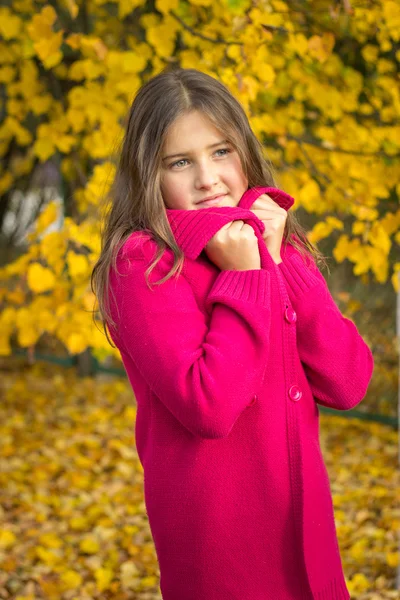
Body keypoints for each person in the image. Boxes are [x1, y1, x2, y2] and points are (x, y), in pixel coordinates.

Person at [91, 68, 374, 600]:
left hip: (306, 529)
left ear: (244, 149)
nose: (208, 179)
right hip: (223, 552)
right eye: (180, 162)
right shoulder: (144, 265)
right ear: (149, 175)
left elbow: (349, 382)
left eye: (221, 152)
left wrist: (280, 258)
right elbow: (209, 406)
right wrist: (245, 275)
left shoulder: (265, 238)